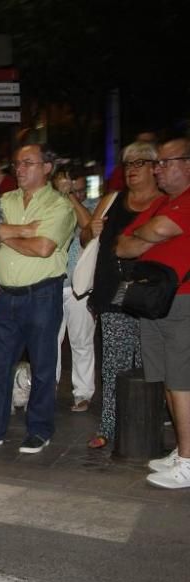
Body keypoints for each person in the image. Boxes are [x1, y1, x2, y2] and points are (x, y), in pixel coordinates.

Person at [0, 145, 76, 454]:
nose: (19, 169)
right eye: (16, 164)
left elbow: (43, 248)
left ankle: (39, 429)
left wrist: (4, 233)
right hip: (6, 295)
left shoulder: (59, 206)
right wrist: (21, 230)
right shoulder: (5, 200)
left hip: (42, 294)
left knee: (42, 366)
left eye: (28, 163)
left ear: (47, 167)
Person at [116, 137, 190, 489]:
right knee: (165, 380)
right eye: (156, 163)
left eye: (165, 162)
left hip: (183, 300)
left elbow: (155, 230)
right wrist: (149, 237)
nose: (157, 168)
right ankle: (182, 450)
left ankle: (189, 462)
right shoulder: (164, 203)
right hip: (154, 301)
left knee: (182, 382)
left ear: (188, 163)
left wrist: (148, 235)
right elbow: (123, 244)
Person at [85, 142, 164, 450]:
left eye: (140, 163)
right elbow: (86, 238)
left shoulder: (165, 203)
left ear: (155, 168)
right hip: (113, 292)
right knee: (114, 364)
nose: (132, 169)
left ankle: (149, 426)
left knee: (152, 364)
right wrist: (90, 228)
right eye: (128, 164)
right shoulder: (113, 199)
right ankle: (109, 426)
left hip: (152, 296)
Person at [52, 166, 95, 413]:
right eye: (68, 188)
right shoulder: (51, 206)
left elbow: (88, 227)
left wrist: (70, 197)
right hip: (53, 284)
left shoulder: (91, 205)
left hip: (80, 286)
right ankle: (49, 389)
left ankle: (83, 393)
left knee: (82, 341)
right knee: (49, 342)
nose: (74, 193)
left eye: (77, 189)